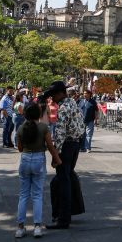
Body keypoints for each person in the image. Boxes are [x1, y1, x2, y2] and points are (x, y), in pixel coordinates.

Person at [15, 102, 62, 239]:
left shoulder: (21, 128)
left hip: (24, 159)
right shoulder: (43, 127)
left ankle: (20, 227)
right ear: (39, 114)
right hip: (38, 160)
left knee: (23, 195)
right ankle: (37, 227)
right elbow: (50, 146)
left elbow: (19, 148)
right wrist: (57, 159)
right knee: (37, 195)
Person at [44, 81, 85, 230]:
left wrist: (56, 155)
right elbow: (82, 126)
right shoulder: (73, 103)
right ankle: (71, 210)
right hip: (75, 144)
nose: (52, 98)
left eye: (53, 95)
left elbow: (60, 134)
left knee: (63, 181)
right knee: (62, 179)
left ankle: (63, 218)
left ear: (61, 93)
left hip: (66, 146)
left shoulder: (63, 108)